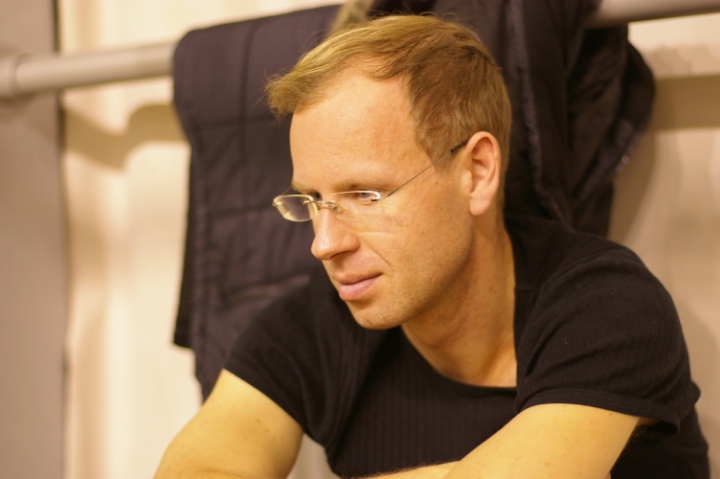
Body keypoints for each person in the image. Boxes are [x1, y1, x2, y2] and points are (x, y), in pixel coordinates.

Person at [154, 14, 709, 479]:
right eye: (314, 200)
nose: (324, 243)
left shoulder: (607, 304)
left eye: (365, 195)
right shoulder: (315, 324)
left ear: (477, 171)